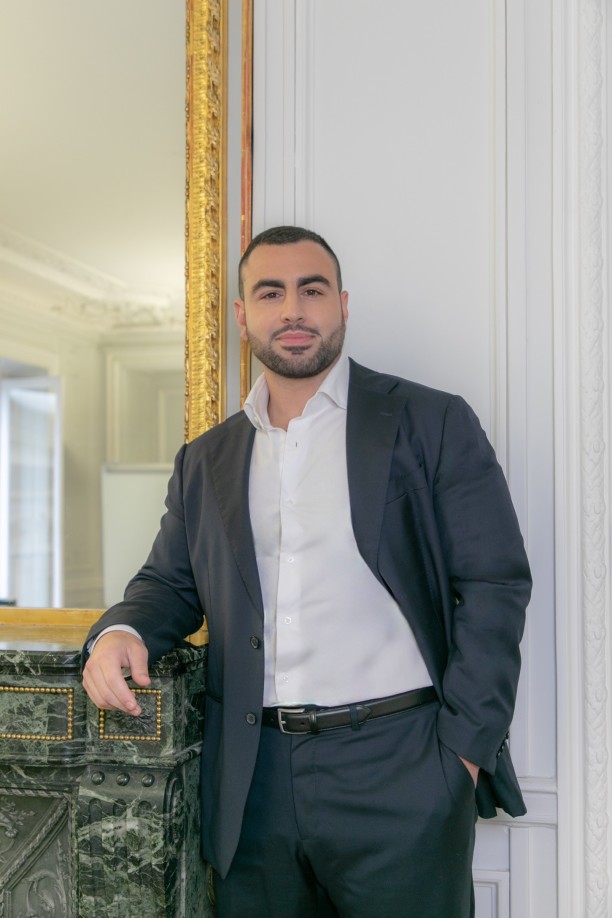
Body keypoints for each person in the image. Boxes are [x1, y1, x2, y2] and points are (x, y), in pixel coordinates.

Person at [82, 225, 532, 918]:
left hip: (402, 766)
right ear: (243, 316)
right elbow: (169, 583)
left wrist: (459, 759)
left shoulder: (430, 421)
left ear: (342, 305)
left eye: (311, 290)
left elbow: (494, 584)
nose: (293, 310)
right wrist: (121, 631)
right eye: (271, 293)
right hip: (253, 782)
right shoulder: (206, 459)